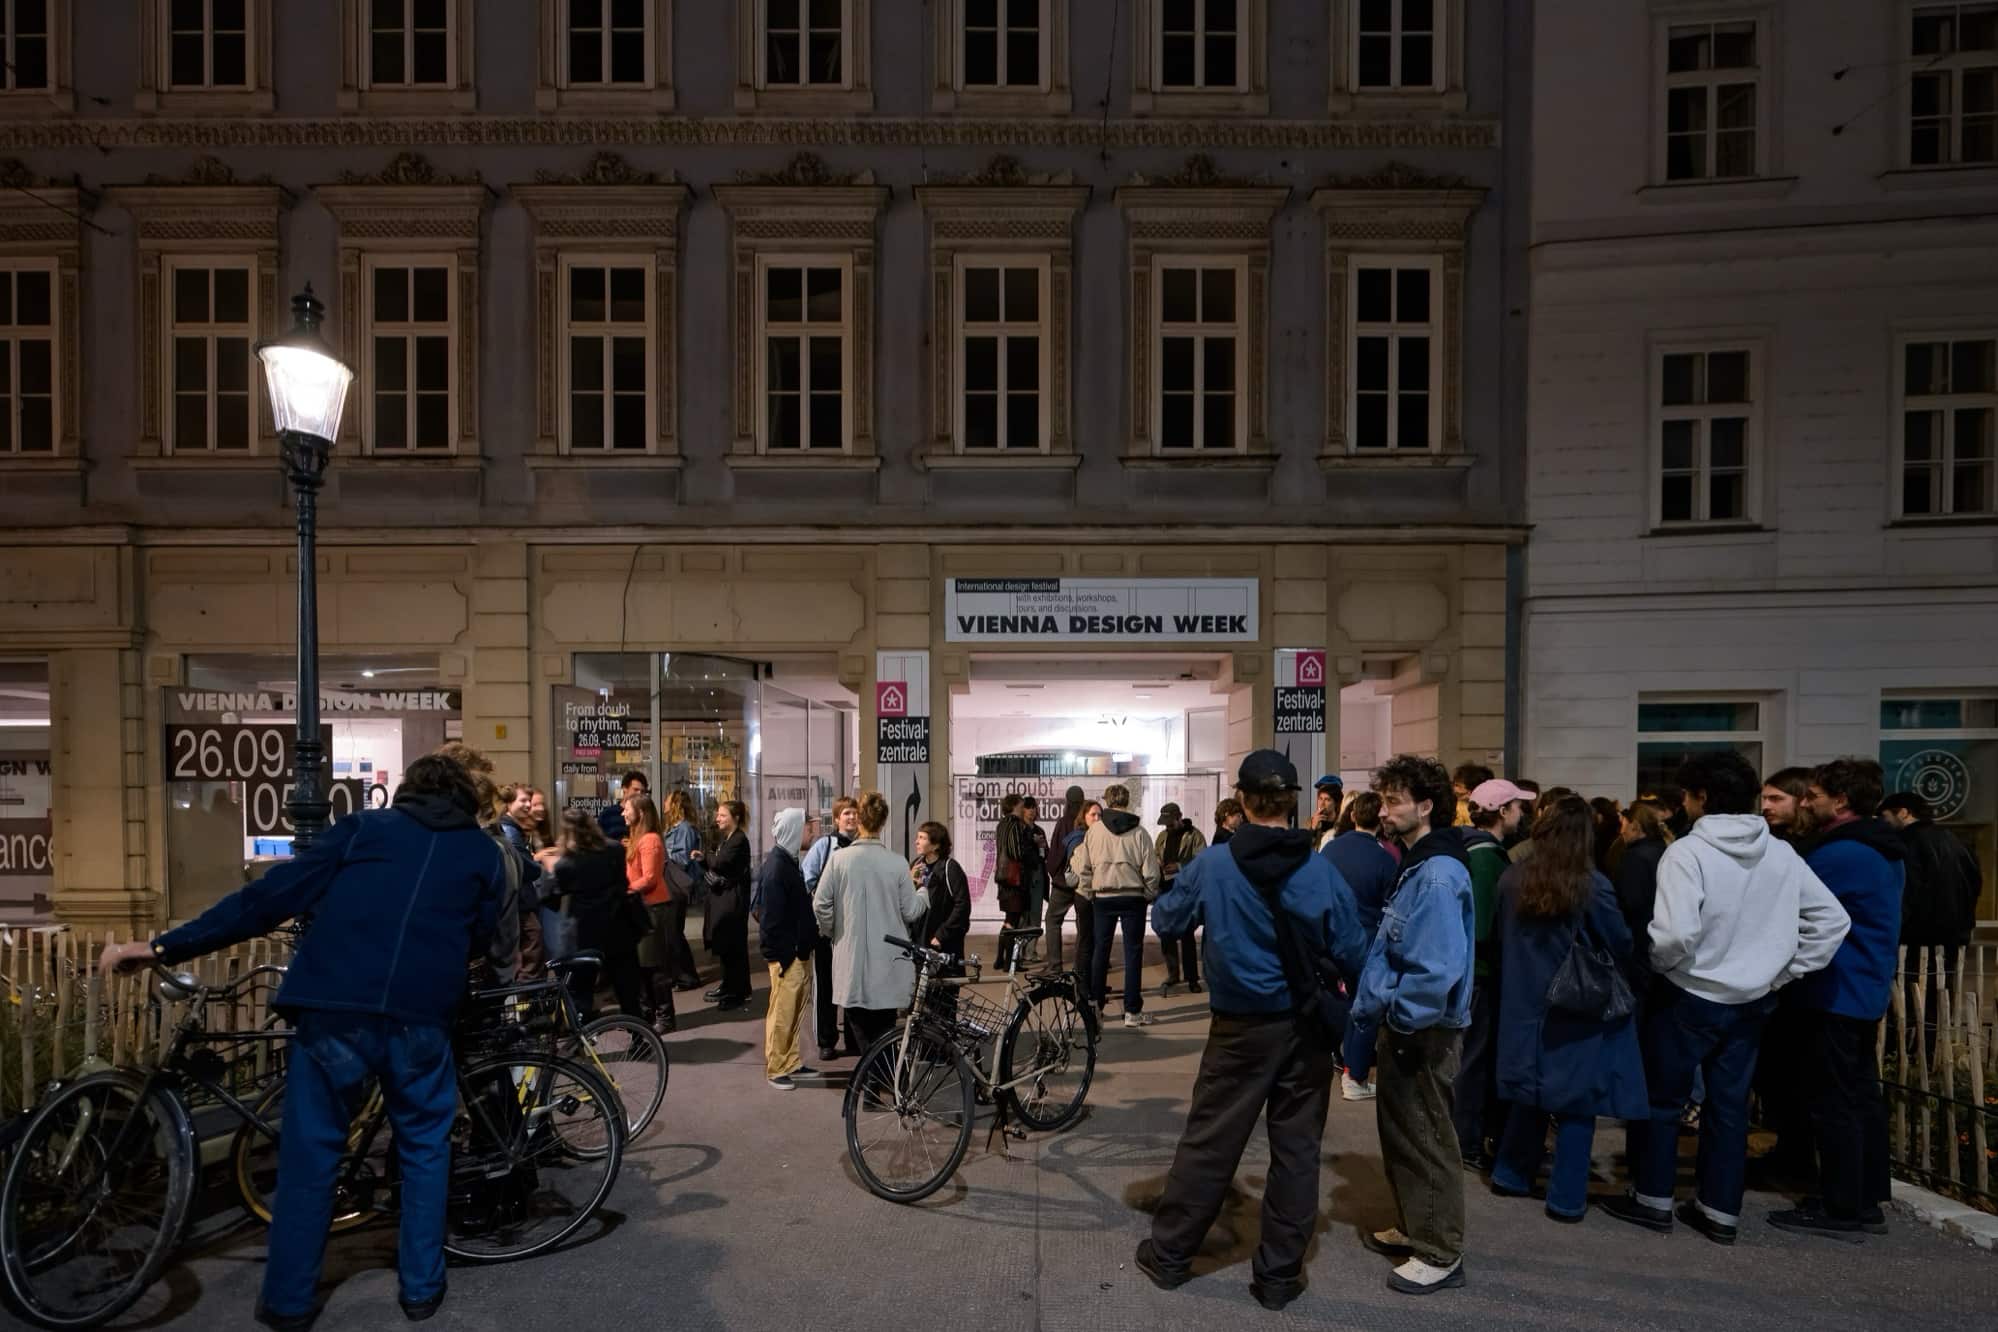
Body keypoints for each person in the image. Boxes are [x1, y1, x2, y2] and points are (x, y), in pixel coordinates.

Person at [100, 754, 508, 1328]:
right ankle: (421, 1289)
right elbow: (482, 936)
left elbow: (267, 900)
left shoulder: (363, 829)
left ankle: (290, 1302)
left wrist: (165, 948)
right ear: (469, 796)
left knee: (312, 1154)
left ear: (407, 792)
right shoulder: (484, 854)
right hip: (420, 1015)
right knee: (424, 1147)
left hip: (333, 1006)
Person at [1137, 750, 1368, 1311]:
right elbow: (1354, 950)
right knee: (1296, 1149)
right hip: (1305, 1027)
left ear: (1240, 802)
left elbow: (1167, 920)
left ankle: (1170, 1256)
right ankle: (1278, 1277)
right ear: (1291, 804)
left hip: (1239, 1028)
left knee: (1211, 1142)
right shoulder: (1318, 869)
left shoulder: (1215, 865)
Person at [1601, 751, 1850, 1245]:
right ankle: (1720, 1210)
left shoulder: (1688, 853)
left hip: (1689, 994)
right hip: (1753, 1000)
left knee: (1663, 1101)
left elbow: (1673, 934)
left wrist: (1666, 968)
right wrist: (1782, 972)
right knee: (1729, 1105)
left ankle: (1652, 1199)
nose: (1684, 804)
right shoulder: (1779, 852)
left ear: (1702, 798)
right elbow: (1832, 921)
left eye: (1688, 795)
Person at [1343, 754, 1475, 1294]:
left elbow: (1436, 966)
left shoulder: (1439, 872)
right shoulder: (1421, 862)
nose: (1385, 811)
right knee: (1404, 1132)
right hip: (1409, 1024)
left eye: (1396, 801)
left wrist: (1401, 1018)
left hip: (1423, 1029)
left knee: (1426, 1136)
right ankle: (1418, 1226)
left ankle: (1441, 1251)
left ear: (1425, 806)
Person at [1488, 795, 1648, 1224]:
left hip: (1523, 1001)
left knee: (1530, 1093)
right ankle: (1566, 1199)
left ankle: (1510, 1174)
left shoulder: (1512, 878)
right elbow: (1620, 941)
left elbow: (1499, 939)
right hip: (1578, 1002)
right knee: (1578, 1104)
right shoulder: (1590, 884)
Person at [1770, 759, 1905, 1240]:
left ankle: (1843, 1206)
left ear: (1841, 800)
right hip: (1862, 987)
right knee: (1860, 1096)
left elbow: (1791, 907)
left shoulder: (1841, 853)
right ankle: (1864, 1198)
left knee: (1835, 1101)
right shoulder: (1881, 847)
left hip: (1835, 990)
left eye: (1813, 794)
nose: (1805, 802)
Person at [813, 790, 930, 1052]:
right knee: (886, 1029)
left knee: (858, 1023)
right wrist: (923, 892)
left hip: (851, 959)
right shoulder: (897, 863)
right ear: (883, 822)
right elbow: (911, 912)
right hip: (888, 961)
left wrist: (834, 931)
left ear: (861, 821)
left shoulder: (839, 860)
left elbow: (820, 903)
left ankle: (870, 1082)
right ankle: (882, 1079)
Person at [1454, 777, 1530, 1173]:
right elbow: (1483, 926)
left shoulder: (1476, 850)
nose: (1523, 814)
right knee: (1474, 1060)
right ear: (1502, 812)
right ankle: (1464, 1139)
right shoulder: (1486, 858)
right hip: (1480, 974)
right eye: (1518, 806)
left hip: (1474, 974)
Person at [1881, 789, 1982, 1065]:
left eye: (1886, 816)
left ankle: (1899, 1060)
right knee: (1937, 1004)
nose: (1884, 823)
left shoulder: (1904, 844)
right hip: (1952, 939)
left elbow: (1906, 892)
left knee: (1903, 1006)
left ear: (1903, 812)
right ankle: (1927, 1060)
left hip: (1913, 938)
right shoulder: (1956, 841)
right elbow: (1974, 884)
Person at [1071, 783, 1162, 1027]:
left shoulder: (1095, 832)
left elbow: (1084, 867)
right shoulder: (1139, 832)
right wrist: (1149, 894)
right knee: (1133, 953)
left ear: (1107, 800)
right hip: (1133, 897)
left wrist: (1090, 892)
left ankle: (1096, 1007)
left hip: (1103, 897)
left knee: (1101, 950)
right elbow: (1151, 871)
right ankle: (1132, 1011)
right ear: (1128, 801)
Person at [551, 807, 645, 1021]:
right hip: (617, 926)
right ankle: (641, 1037)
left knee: (582, 990)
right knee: (627, 990)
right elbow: (623, 885)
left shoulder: (566, 863)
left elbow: (553, 899)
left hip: (585, 933)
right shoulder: (614, 850)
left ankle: (583, 1042)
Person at [758, 807, 818, 1090]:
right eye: (807, 827)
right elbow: (769, 918)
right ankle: (776, 1067)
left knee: (792, 1013)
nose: (812, 832)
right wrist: (786, 956)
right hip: (788, 957)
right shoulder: (778, 866)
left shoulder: (787, 861)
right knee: (782, 1014)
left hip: (795, 954)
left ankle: (790, 1061)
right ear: (795, 829)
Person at [802, 796, 859, 1059]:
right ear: (836, 818)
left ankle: (854, 1038)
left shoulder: (863, 846)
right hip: (825, 929)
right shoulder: (823, 846)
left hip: (852, 930)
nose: (851, 817)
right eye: (846, 813)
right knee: (824, 985)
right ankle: (826, 1041)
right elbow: (807, 879)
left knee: (852, 986)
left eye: (854, 813)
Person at [1611, 800, 1674, 992]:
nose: (1621, 831)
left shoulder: (1635, 857)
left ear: (1635, 826)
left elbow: (1631, 903)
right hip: (1661, 935)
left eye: (1623, 824)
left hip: (1639, 939)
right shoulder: (1664, 850)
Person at [702, 799, 754, 1011]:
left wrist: (704, 858)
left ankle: (737, 992)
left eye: (723, 815)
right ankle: (729, 986)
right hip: (727, 898)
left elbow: (720, 862)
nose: (718, 819)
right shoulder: (730, 839)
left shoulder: (739, 840)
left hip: (733, 901)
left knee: (734, 948)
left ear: (736, 818)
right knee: (727, 947)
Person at [1155, 802, 1207, 997]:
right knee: (1166, 933)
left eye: (1170, 824)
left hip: (1185, 890)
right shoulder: (1162, 837)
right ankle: (1173, 973)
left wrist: (1179, 866)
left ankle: (1192, 978)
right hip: (1166, 889)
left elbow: (1201, 862)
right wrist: (1158, 865)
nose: (1167, 827)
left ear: (1179, 817)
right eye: (1165, 825)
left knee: (1186, 935)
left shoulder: (1194, 836)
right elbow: (1155, 856)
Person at [1047, 800, 1101, 977]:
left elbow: (1055, 852)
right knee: (1085, 929)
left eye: (1098, 815)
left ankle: (1056, 966)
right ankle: (1080, 969)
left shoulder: (1066, 824)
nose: (1096, 818)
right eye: (1093, 814)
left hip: (1065, 883)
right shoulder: (1096, 834)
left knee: (1054, 921)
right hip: (1082, 888)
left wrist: (1055, 875)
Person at [658, 790, 704, 992]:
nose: (664, 803)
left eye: (667, 800)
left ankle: (686, 975)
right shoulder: (675, 828)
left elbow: (683, 859)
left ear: (675, 804)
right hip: (672, 885)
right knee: (672, 932)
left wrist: (660, 854)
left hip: (676, 885)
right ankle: (681, 974)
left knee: (674, 932)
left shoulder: (683, 829)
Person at [913, 820, 972, 959]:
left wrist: (942, 935)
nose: (916, 841)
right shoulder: (916, 865)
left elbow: (962, 905)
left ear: (936, 845)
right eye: (917, 837)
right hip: (920, 941)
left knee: (945, 980)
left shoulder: (950, 868)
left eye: (922, 838)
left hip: (943, 945)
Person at [1761, 767, 1814, 843]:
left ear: (1803, 799)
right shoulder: (1760, 834)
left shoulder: (1820, 839)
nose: (1765, 806)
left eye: (1775, 798)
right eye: (1764, 799)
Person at [599, 769, 648, 841]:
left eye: (642, 791)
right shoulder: (608, 814)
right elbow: (598, 841)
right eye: (636, 789)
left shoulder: (646, 815)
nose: (639, 794)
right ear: (625, 789)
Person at [1452, 762, 1494, 829]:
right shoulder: (1457, 807)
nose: (1455, 790)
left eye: (1458, 786)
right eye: (1455, 785)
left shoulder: (1489, 807)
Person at [1309, 774, 1344, 848]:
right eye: (1320, 798)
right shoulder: (1309, 823)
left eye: (1327, 799)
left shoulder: (1342, 825)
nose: (1322, 803)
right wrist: (1312, 829)